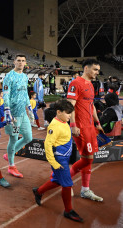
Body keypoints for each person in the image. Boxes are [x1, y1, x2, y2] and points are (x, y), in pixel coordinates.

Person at [32, 99, 83, 222]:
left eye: (71, 113)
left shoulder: (64, 121)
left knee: (57, 181)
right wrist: (54, 163)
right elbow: (47, 145)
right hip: (59, 159)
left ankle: (38, 191)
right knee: (67, 184)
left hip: (64, 157)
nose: (70, 116)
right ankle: (68, 210)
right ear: (59, 112)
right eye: (67, 113)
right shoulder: (54, 126)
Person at [67, 59, 104, 202]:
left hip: (90, 127)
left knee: (88, 159)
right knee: (87, 159)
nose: (97, 72)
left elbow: (91, 105)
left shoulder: (90, 84)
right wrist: (73, 125)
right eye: (95, 69)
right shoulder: (76, 83)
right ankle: (66, 180)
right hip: (80, 127)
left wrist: (97, 122)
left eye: (98, 70)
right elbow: (71, 106)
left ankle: (84, 190)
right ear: (86, 68)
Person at [2, 54, 33, 178]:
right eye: (18, 61)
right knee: (14, 138)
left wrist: (29, 107)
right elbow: (5, 94)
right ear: (14, 62)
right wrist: (7, 110)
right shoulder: (9, 77)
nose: (21, 63)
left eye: (23, 61)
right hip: (14, 116)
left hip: (23, 114)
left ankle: (11, 152)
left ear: (25, 63)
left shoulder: (25, 76)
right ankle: (11, 166)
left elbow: (25, 93)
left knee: (28, 137)